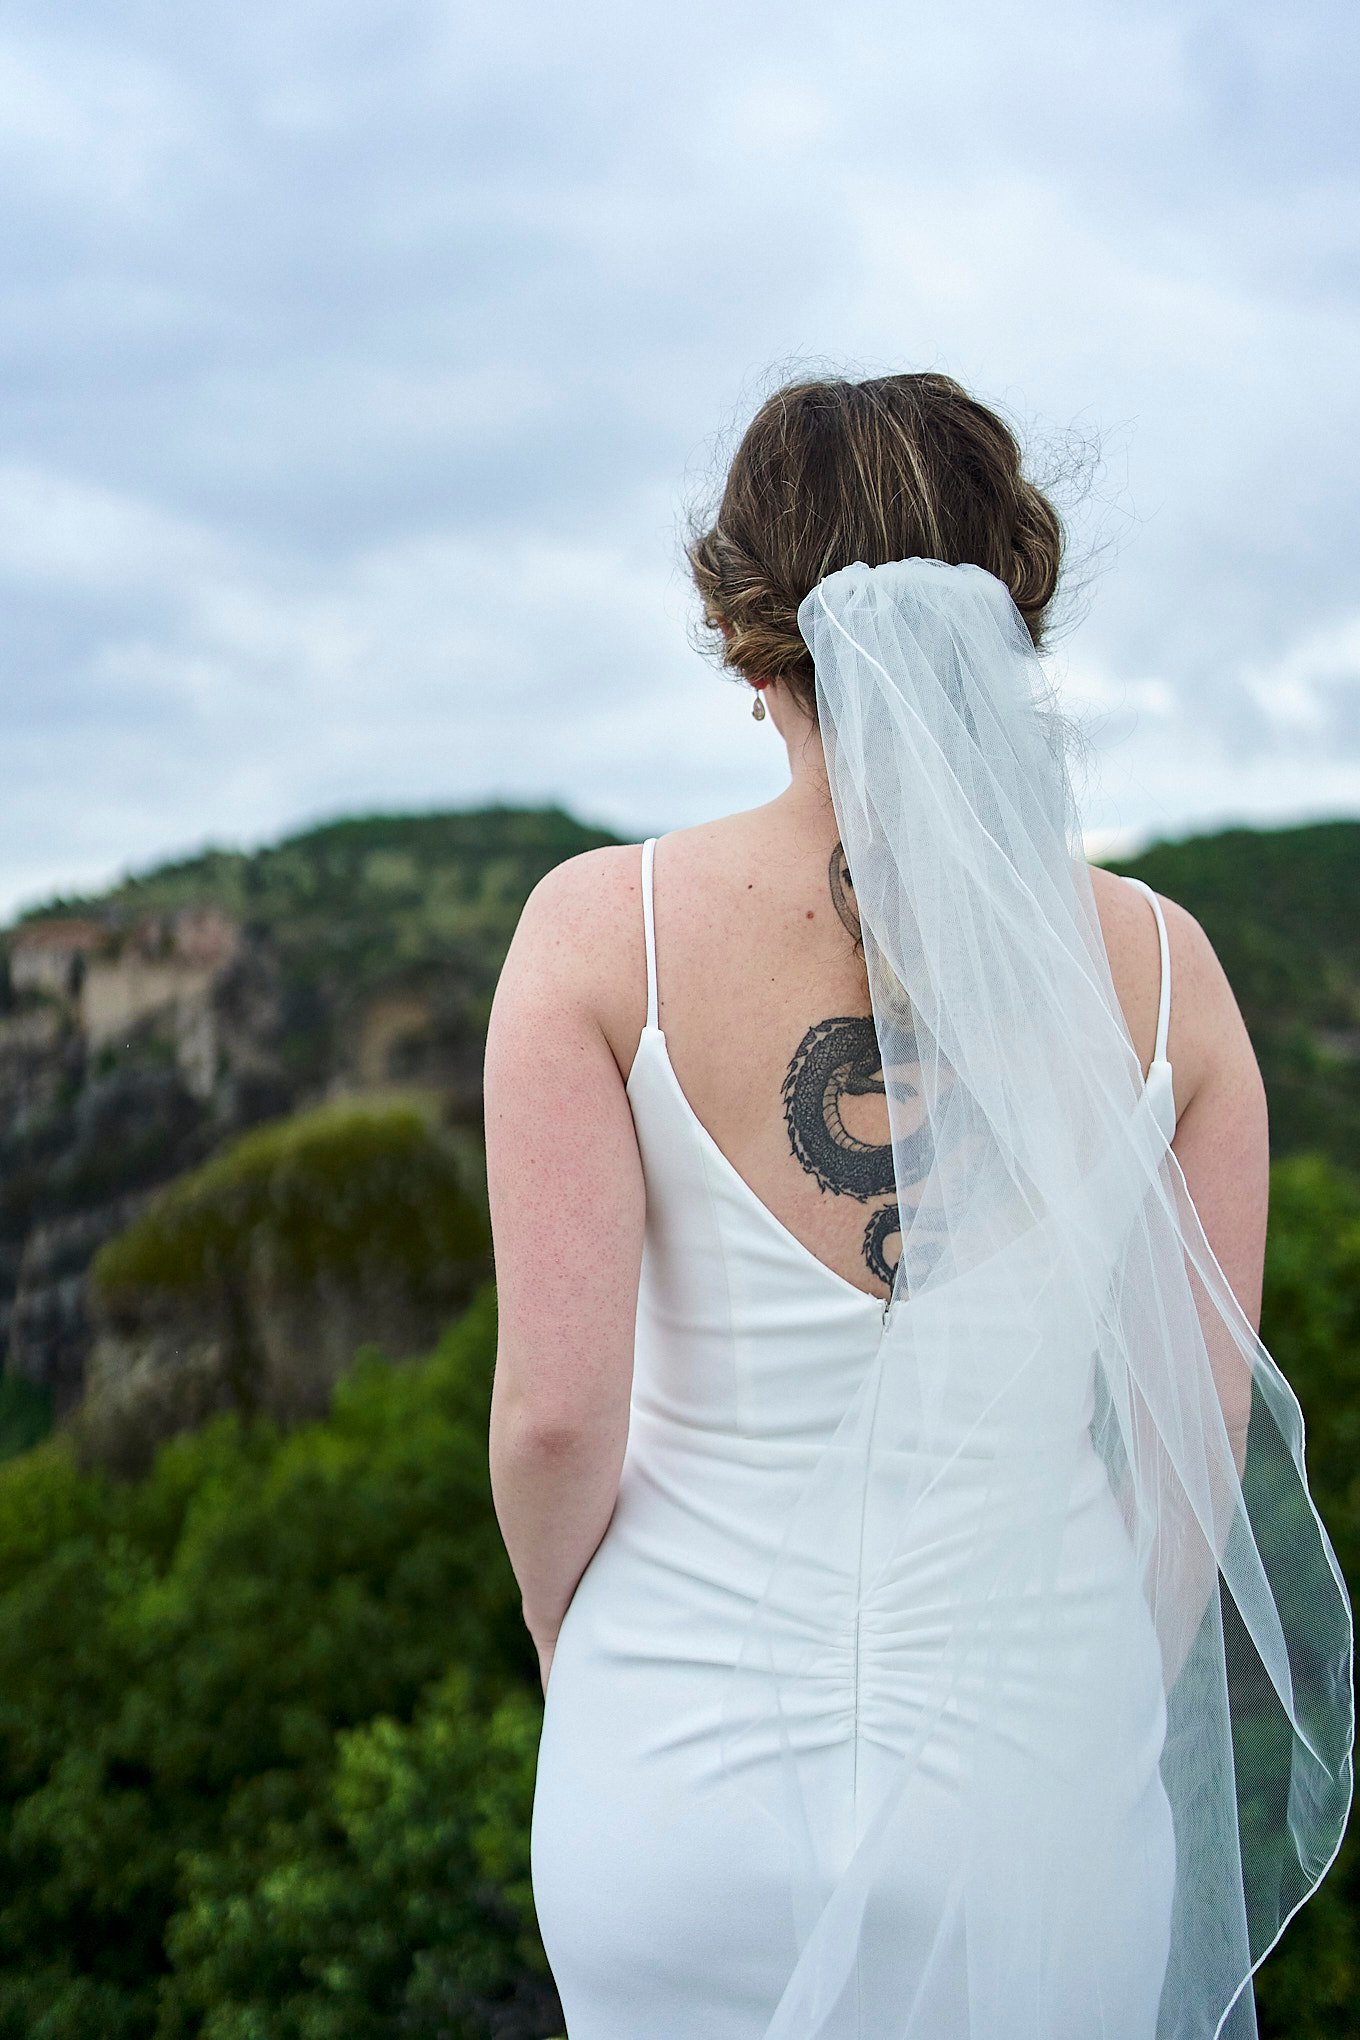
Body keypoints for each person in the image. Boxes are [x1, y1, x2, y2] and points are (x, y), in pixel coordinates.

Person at [483, 373, 1352, 2040]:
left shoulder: (601, 937)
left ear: (749, 649)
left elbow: (553, 1425)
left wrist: (571, 1646)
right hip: (1042, 1805)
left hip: (674, 1788)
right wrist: (1089, 1682)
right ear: (1011, 613)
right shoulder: (1173, 975)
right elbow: (1192, 1446)